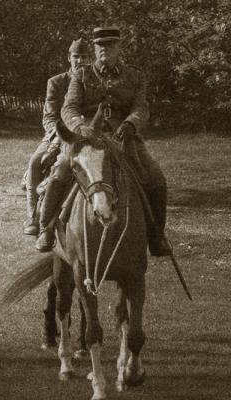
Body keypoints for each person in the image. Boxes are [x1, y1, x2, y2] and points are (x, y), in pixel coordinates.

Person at [36, 26, 171, 257]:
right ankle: (46, 227)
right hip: (87, 138)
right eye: (99, 46)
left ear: (120, 47)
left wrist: (130, 124)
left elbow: (141, 107)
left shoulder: (135, 76)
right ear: (95, 48)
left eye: (109, 45)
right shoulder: (82, 74)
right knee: (60, 171)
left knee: (156, 179)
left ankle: (155, 237)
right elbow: (69, 107)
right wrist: (80, 128)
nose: (104, 50)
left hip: (124, 138)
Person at [23, 38, 91, 235]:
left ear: (89, 59)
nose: (79, 61)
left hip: (85, 134)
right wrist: (59, 135)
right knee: (36, 161)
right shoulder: (56, 82)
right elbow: (50, 116)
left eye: (84, 57)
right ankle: (33, 216)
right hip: (58, 134)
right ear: (69, 58)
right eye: (76, 57)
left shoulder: (93, 81)